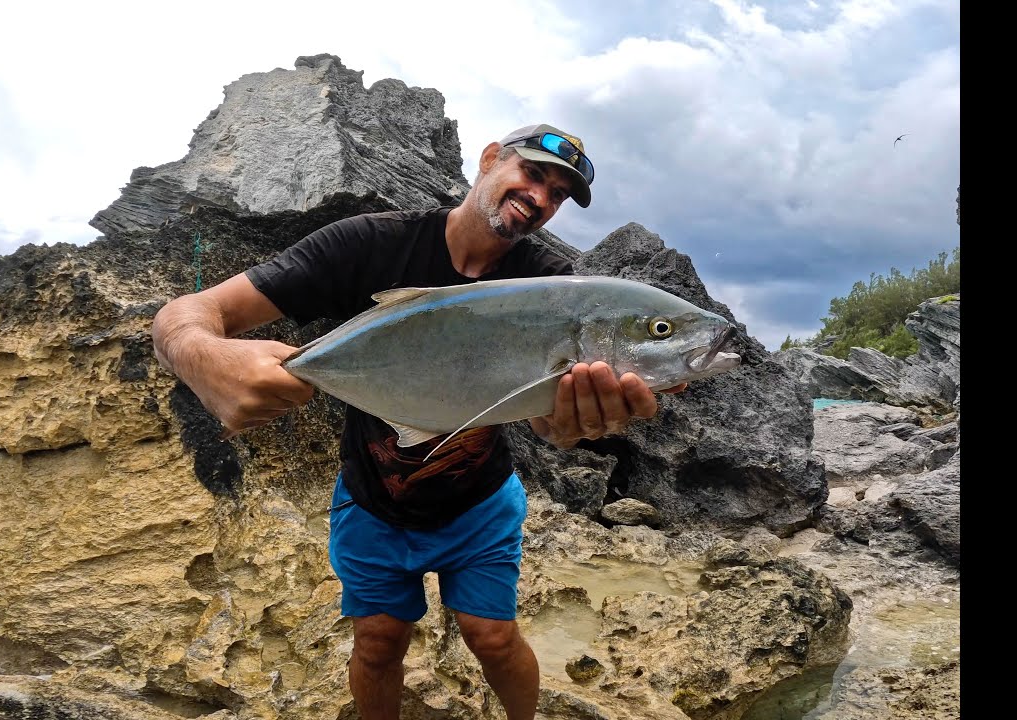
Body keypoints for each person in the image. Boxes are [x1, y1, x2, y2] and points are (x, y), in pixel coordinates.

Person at [151, 123, 686, 720]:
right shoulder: (368, 245)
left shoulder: (555, 286)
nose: (540, 198)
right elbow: (192, 312)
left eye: (558, 195)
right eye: (533, 174)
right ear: (489, 159)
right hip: (370, 500)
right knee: (377, 642)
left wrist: (570, 427)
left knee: (493, 637)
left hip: (480, 503)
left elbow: (543, 423)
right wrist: (203, 356)